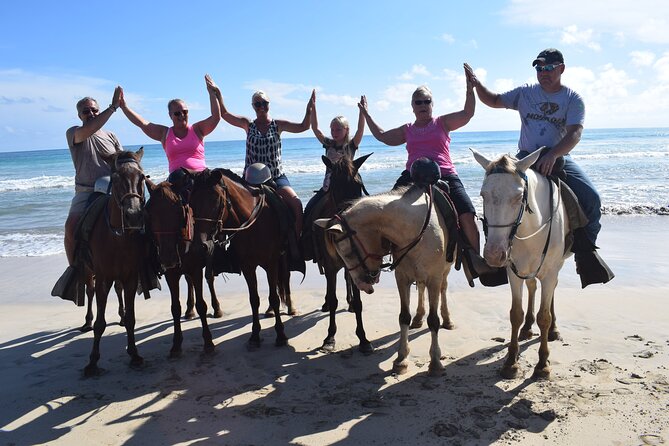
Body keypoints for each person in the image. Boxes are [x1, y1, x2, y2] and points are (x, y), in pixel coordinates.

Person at [464, 48, 614, 287]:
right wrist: (476, 84)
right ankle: (503, 258)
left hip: (557, 157)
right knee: (500, 198)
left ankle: (585, 254)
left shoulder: (572, 99)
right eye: (539, 68)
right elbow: (492, 100)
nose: (543, 73)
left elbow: (575, 133)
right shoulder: (525, 93)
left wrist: (553, 154)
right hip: (524, 158)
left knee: (592, 199)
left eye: (548, 68)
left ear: (561, 69)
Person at [358, 65, 499, 284]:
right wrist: (366, 114)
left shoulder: (442, 123)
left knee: (468, 215)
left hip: (445, 173)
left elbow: (467, 113)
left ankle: (474, 262)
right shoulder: (407, 129)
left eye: (427, 102)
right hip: (412, 175)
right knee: (384, 211)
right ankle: (375, 264)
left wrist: (469, 89)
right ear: (412, 107)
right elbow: (383, 136)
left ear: (432, 105)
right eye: (418, 102)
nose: (423, 105)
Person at [214, 88, 313, 235]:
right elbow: (225, 114)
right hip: (250, 179)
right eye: (257, 104)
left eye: (264, 103)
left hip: (275, 177)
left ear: (269, 104)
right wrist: (218, 94)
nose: (261, 107)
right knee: (230, 207)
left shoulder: (278, 125)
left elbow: (304, 127)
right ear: (253, 106)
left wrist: (309, 109)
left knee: (296, 204)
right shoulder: (248, 124)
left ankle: (296, 243)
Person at [119, 74, 221, 184]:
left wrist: (212, 93)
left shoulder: (197, 129)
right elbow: (142, 123)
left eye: (185, 112)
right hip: (177, 182)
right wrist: (124, 107)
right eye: (177, 113)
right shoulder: (165, 133)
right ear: (170, 115)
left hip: (201, 179)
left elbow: (216, 117)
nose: (182, 115)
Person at [302, 91, 365, 261]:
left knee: (366, 213)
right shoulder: (328, 144)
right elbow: (315, 129)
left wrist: (362, 112)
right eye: (332, 129)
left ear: (346, 130)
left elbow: (360, 130)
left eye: (338, 129)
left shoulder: (352, 145)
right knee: (308, 210)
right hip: (328, 188)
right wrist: (312, 108)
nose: (334, 132)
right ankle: (308, 245)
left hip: (348, 190)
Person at [64, 88, 123, 266]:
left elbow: (121, 162)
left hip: (113, 190)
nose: (91, 113)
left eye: (94, 110)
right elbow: (91, 128)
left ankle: (147, 267)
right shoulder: (74, 132)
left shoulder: (111, 136)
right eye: (86, 111)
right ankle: (74, 271)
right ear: (79, 116)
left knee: (142, 217)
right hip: (87, 191)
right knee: (71, 226)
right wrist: (113, 107)